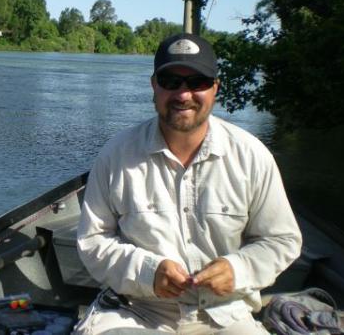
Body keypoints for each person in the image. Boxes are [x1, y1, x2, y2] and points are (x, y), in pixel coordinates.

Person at [75, 33, 302, 334]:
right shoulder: (115, 154)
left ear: (215, 89)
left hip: (226, 313)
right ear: (154, 86)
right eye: (171, 81)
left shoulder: (252, 156)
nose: (183, 94)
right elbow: (93, 241)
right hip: (137, 310)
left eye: (197, 82)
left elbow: (282, 240)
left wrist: (238, 269)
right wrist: (147, 272)